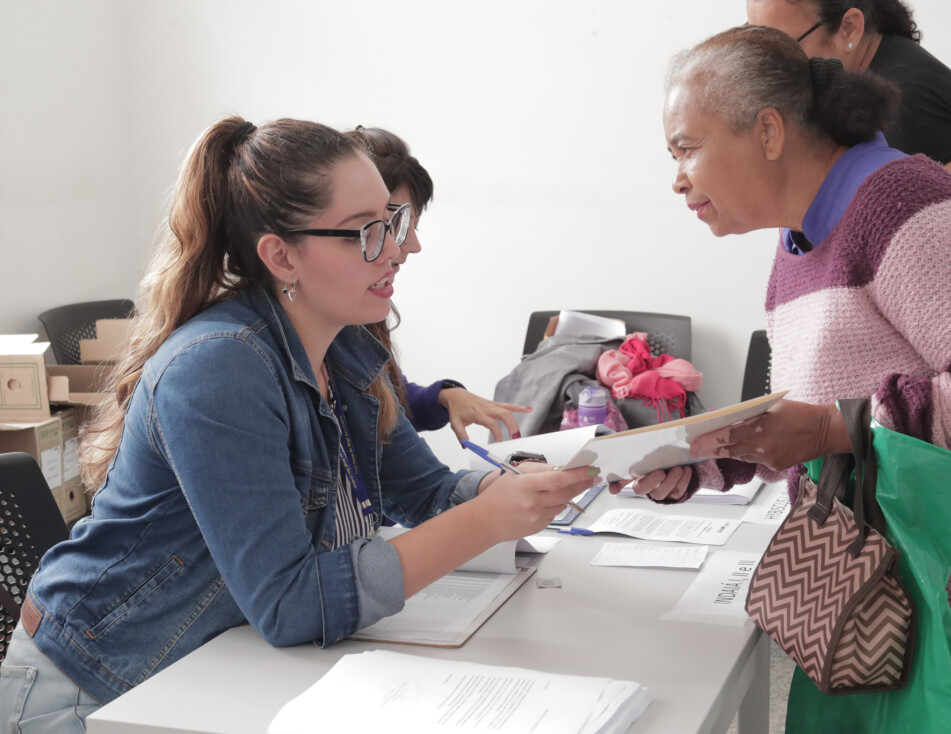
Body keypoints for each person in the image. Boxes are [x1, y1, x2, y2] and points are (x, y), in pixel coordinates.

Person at [0, 116, 598, 732]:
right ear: (281, 255)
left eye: (392, 222)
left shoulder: (348, 349)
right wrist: (486, 521)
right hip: (100, 687)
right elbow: (289, 603)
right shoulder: (219, 367)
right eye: (365, 232)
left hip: (215, 664)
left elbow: (424, 492)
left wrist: (516, 491)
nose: (395, 249)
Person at [634, 25, 951, 734]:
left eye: (685, 148)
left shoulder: (902, 202)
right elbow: (824, 399)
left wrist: (828, 429)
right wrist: (703, 458)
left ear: (767, 131)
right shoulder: (800, 241)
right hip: (899, 604)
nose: (676, 178)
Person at [746, 0, 951, 275]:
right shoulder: (872, 82)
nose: (769, 67)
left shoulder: (907, 103)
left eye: (782, 47)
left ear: (849, 28)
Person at [344, 126, 530, 443]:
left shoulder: (358, 319)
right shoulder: (250, 361)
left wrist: (445, 396)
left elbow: (387, 408)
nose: (411, 245)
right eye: (395, 225)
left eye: (410, 226)